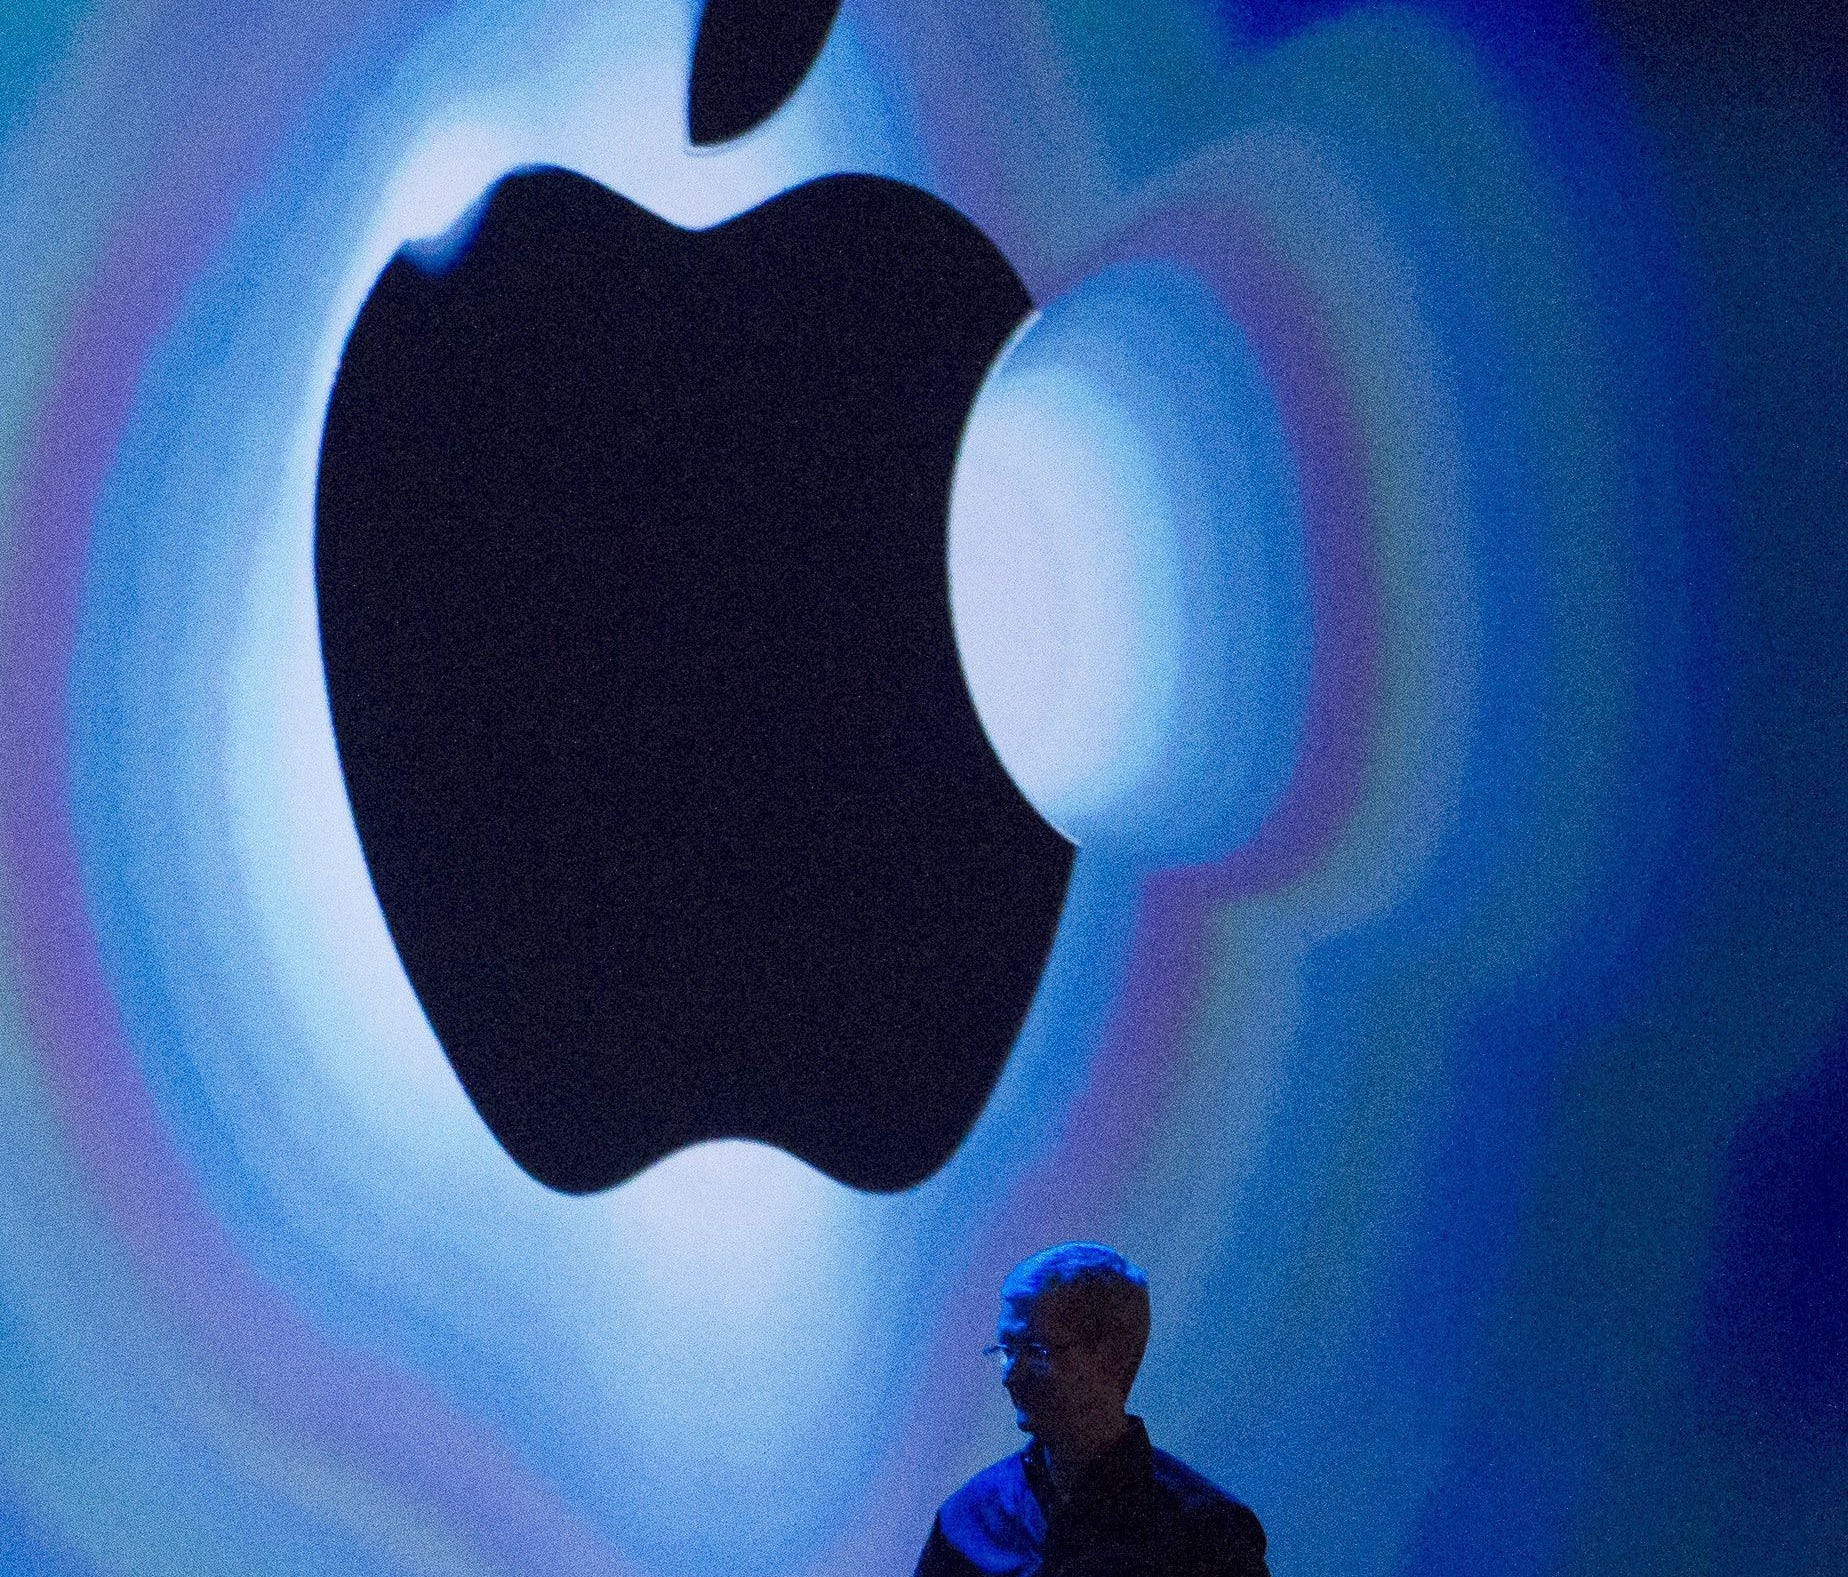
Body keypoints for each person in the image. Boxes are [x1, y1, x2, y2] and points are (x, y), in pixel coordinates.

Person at [914, 1242, 1269, 1577]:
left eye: (1037, 1352)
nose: (1010, 1377)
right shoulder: (967, 1521)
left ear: (1111, 1358)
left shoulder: (1207, 1534)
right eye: (1007, 1351)